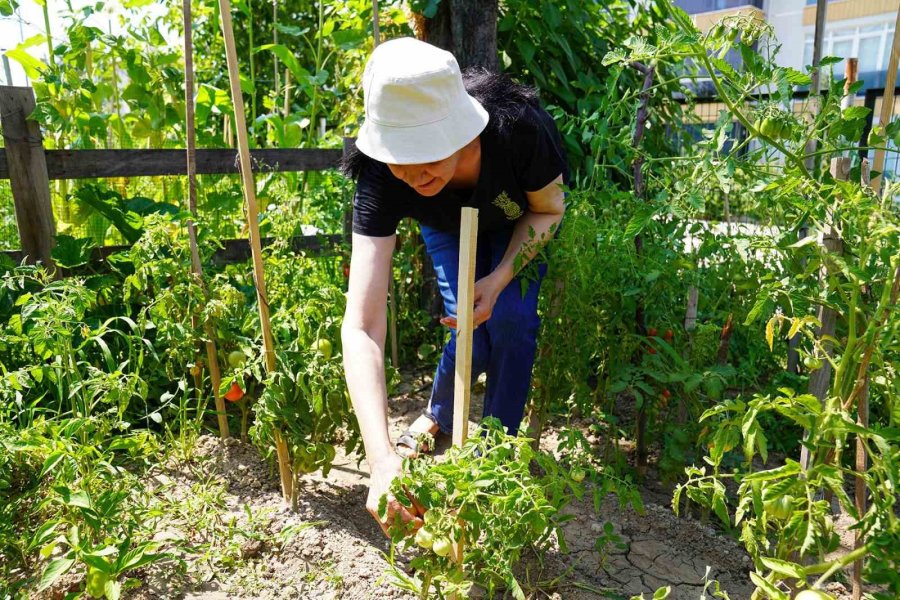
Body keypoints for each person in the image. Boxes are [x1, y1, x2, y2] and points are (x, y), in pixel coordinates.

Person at [340, 37, 568, 534]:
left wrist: (502, 274)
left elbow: (549, 210)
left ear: (464, 132)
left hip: (520, 221)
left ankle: (498, 459)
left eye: (426, 154)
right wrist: (380, 463)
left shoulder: (519, 130)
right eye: (400, 157)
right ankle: (437, 413)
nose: (412, 172)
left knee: (512, 320)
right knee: (471, 331)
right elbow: (361, 326)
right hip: (446, 226)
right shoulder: (380, 176)